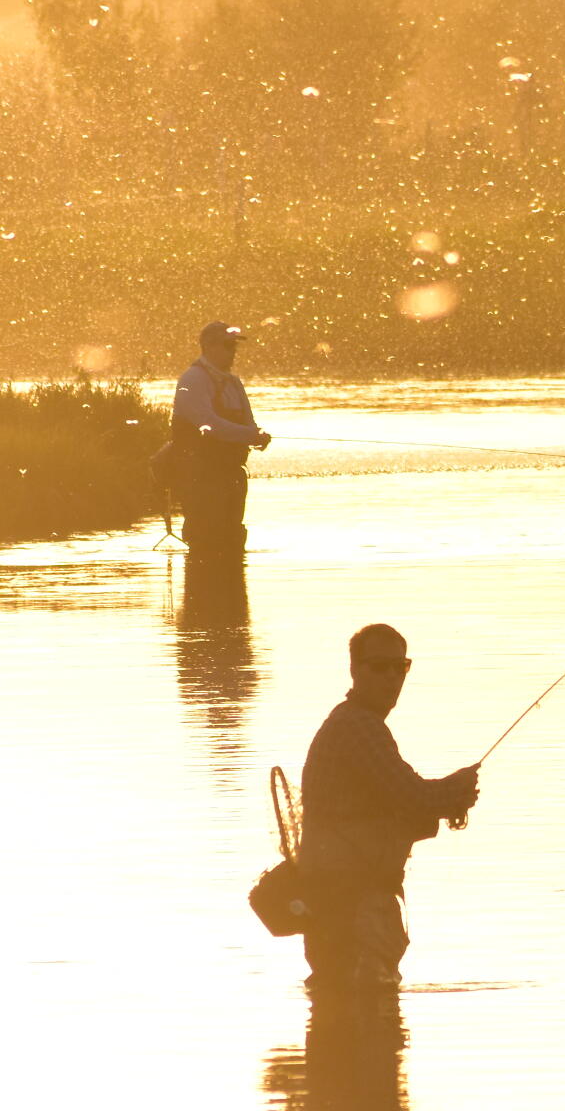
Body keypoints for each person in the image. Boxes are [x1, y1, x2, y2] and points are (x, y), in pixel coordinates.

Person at [296, 623, 479, 995]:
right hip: (353, 909)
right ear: (355, 670)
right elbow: (412, 796)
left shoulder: (357, 724)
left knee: (349, 1009)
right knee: (366, 1006)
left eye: (400, 667)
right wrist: (454, 791)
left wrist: (451, 794)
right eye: (380, 667)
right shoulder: (358, 728)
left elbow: (398, 800)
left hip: (344, 905)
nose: (392, 677)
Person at [172, 320, 270, 552]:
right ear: (209, 346)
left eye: (234, 346)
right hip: (200, 476)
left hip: (232, 475)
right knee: (206, 538)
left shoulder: (234, 383)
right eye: (228, 346)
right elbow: (209, 425)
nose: (233, 352)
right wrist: (249, 435)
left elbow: (249, 423)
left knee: (233, 537)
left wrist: (258, 435)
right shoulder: (192, 379)